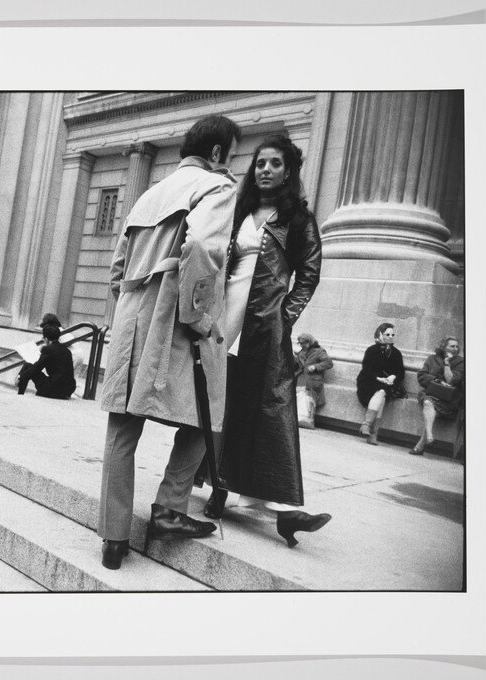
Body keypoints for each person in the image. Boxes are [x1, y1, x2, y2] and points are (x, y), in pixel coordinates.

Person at [97, 114, 242, 570]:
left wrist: (122, 316)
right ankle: (169, 507)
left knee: (122, 427)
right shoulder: (218, 188)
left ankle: (113, 540)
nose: (230, 164)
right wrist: (198, 316)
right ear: (218, 153)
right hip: (171, 316)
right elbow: (201, 245)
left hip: (132, 315)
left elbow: (118, 267)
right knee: (209, 411)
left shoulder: (149, 193)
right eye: (231, 156)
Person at [202, 134, 332, 549]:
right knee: (220, 405)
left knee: (271, 411)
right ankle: (216, 486)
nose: (265, 170)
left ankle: (285, 510)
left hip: (266, 328)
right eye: (260, 163)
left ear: (289, 171)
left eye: (275, 163)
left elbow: (308, 275)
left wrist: (284, 317)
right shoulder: (238, 209)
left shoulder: (298, 219)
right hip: (225, 318)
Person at [410, 337, 465, 455]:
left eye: (457, 346)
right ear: (443, 347)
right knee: (428, 403)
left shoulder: (461, 362)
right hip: (431, 393)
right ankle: (429, 435)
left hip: (449, 399)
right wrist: (437, 381)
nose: (455, 349)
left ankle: (422, 443)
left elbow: (451, 381)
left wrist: (446, 363)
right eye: (452, 346)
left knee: (430, 406)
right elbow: (421, 376)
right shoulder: (432, 359)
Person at [356, 322, 406, 445]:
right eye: (387, 334)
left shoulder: (396, 353)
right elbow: (366, 369)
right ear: (380, 334)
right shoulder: (372, 350)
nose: (391, 336)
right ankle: (373, 433)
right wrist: (378, 378)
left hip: (385, 384)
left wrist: (393, 377)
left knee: (382, 392)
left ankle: (367, 425)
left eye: (392, 334)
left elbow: (400, 372)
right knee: (382, 396)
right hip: (368, 382)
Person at [16, 324, 77, 399]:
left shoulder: (48, 349)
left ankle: (20, 394)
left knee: (27, 365)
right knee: (30, 368)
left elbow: (37, 368)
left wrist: (20, 377)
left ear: (46, 338)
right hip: (68, 390)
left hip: (54, 389)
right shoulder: (67, 350)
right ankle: (20, 393)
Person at [294, 332, 334, 428]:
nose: (301, 345)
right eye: (299, 343)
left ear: (309, 342)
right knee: (299, 398)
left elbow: (329, 363)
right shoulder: (301, 352)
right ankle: (297, 419)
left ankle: (306, 420)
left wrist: (316, 367)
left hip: (313, 380)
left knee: (308, 400)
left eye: (303, 343)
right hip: (301, 379)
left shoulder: (319, 351)